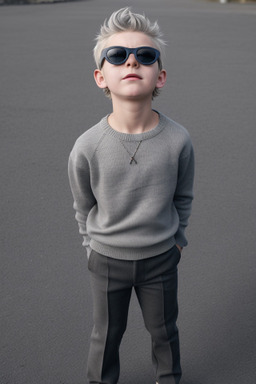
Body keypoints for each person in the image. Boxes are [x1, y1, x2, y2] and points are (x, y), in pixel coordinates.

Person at [68, 7, 194, 384]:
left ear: (161, 75)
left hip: (161, 257)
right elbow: (83, 204)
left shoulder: (178, 140)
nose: (132, 62)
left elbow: (183, 197)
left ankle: (168, 379)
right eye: (118, 55)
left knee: (164, 331)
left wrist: (178, 242)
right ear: (100, 76)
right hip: (107, 260)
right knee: (105, 335)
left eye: (145, 55)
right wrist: (91, 246)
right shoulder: (87, 146)